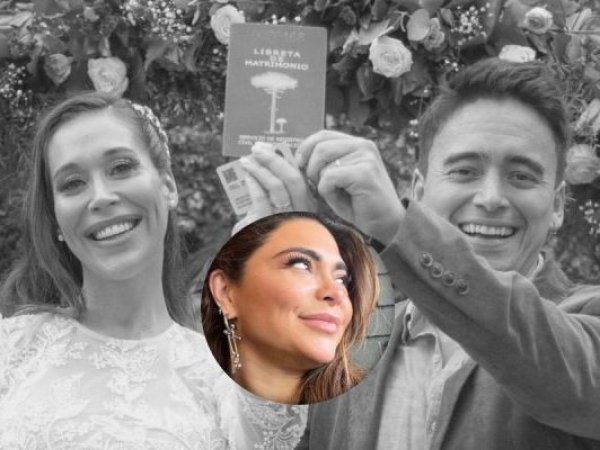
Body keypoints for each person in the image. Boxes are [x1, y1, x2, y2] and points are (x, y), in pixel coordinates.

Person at [238, 58, 600, 449]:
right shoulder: (347, 339)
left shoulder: (586, 318)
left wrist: (397, 227)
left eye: (522, 176)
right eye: (464, 171)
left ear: (557, 205)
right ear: (419, 190)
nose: (491, 198)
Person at [0, 92, 230, 448]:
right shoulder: (11, 348)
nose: (101, 197)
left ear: (168, 185)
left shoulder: (221, 377)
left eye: (121, 167)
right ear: (56, 220)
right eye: (72, 183)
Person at [201, 211, 379, 404]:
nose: (337, 293)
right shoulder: (194, 396)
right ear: (226, 292)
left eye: (341, 279)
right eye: (301, 265)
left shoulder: (373, 402)